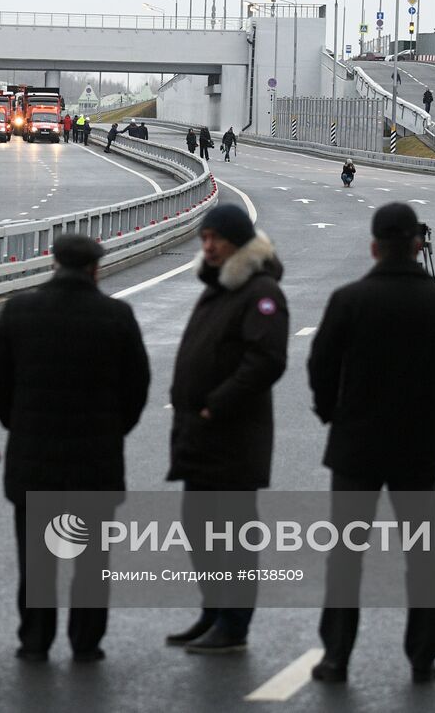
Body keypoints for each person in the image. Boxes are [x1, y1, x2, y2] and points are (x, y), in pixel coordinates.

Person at [307, 202, 435, 685]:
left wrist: (332, 416)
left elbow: (320, 367)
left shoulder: (348, 300)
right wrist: (429, 412)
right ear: (419, 244)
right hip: (417, 449)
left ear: (374, 246)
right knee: (421, 556)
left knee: (345, 556)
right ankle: (423, 656)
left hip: (355, 448)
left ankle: (336, 655)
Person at [0, 234, 150, 663]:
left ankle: (35, 639)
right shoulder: (116, 316)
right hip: (95, 464)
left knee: (36, 561)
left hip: (33, 461)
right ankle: (86, 642)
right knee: (92, 562)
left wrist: (17, 424)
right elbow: (138, 387)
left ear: (54, 264)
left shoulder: (20, 311)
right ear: (95, 269)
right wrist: (114, 431)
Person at [166, 203, 289, 654]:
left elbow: (267, 360)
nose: (209, 246)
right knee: (199, 529)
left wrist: (215, 407)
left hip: (232, 437)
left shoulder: (260, 292)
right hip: (201, 436)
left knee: (231, 537)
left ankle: (234, 624)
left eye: (216, 238)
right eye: (204, 239)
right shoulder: (218, 287)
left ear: (238, 243)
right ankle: (213, 611)